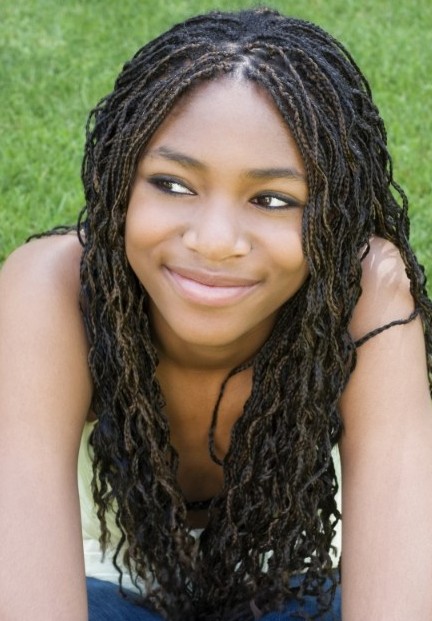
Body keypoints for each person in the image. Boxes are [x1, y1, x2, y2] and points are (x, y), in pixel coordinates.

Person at [1, 7, 432, 621]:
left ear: (334, 220)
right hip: (102, 589)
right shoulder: (53, 288)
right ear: (119, 181)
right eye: (173, 184)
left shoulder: (366, 294)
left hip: (300, 586)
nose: (214, 240)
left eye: (273, 199)